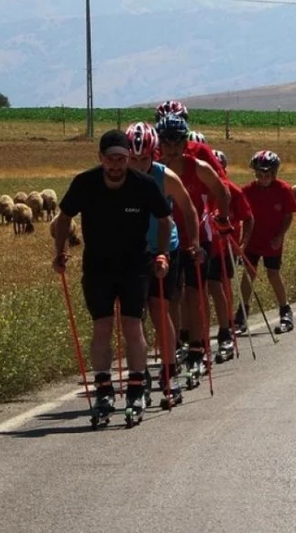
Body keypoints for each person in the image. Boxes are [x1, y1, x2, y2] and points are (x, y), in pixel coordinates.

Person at [52, 129, 173, 421]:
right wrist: (60, 250)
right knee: (102, 326)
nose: (117, 166)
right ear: (101, 158)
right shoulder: (84, 183)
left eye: (121, 159)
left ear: (129, 157)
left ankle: (134, 387)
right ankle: (104, 388)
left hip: (135, 266)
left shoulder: (143, 185)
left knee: (133, 325)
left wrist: (163, 254)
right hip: (98, 267)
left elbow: (164, 219)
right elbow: (64, 216)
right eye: (111, 159)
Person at [124, 122, 203, 400]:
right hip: (130, 252)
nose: (138, 165)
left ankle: (169, 371)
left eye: (144, 158)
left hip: (162, 249)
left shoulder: (164, 176)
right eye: (133, 159)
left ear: (153, 154)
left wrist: (193, 242)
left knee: (160, 310)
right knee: (133, 316)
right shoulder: (118, 176)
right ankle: (140, 372)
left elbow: (188, 208)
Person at [153, 115, 231, 379]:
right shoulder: (154, 170)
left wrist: (221, 218)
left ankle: (198, 349)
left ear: (185, 143)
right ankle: (175, 347)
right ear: (159, 143)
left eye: (177, 142)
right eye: (166, 142)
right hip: (168, 240)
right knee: (171, 297)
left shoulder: (197, 167)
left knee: (195, 293)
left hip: (198, 238)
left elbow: (222, 191)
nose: (172, 148)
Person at [238, 150, 296, 334]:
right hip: (253, 240)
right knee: (248, 274)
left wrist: (280, 236)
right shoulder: (247, 191)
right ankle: (241, 314)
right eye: (259, 174)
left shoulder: (283, 189)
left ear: (274, 174)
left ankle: (285, 310)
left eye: (266, 175)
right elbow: (241, 214)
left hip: (273, 240)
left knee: (273, 274)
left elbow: (288, 215)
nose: (263, 178)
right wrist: (242, 241)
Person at [205, 149, 255, 354]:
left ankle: (227, 326)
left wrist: (242, 245)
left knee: (222, 287)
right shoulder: (202, 188)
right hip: (207, 244)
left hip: (227, 245)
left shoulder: (232, 190)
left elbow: (249, 218)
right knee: (204, 288)